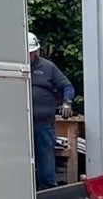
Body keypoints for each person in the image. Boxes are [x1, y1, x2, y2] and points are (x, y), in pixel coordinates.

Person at [28, 32, 76, 189]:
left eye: (32, 53)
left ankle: (48, 192)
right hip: (18, 124)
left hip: (42, 123)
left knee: (45, 159)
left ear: (37, 51)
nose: (30, 56)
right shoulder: (15, 67)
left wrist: (67, 103)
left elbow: (66, 86)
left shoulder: (48, 68)